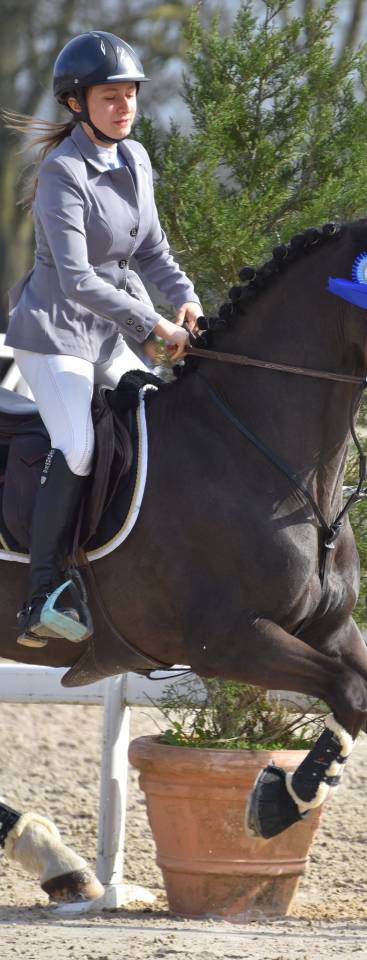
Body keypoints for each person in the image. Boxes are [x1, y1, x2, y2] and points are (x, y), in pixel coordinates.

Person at [5, 31, 202, 648]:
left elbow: (151, 250)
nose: (124, 107)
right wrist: (152, 325)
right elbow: (78, 279)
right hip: (54, 334)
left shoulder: (136, 158)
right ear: (75, 103)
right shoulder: (63, 172)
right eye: (110, 97)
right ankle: (42, 595)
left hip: (110, 332)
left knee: (154, 425)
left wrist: (187, 298)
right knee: (82, 446)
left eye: (130, 96)